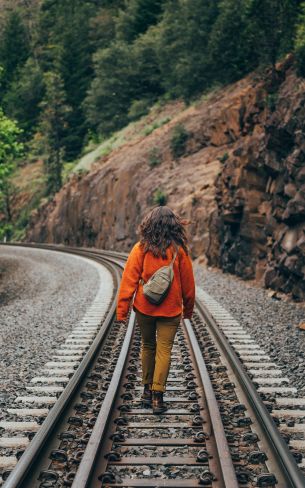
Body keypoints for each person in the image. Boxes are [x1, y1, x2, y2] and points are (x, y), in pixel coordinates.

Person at [116, 206, 195, 414]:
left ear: (148, 224)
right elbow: (189, 285)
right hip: (170, 310)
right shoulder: (180, 251)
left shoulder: (140, 248)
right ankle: (158, 398)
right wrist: (188, 310)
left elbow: (128, 281)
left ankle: (146, 391)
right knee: (164, 349)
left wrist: (122, 310)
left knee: (147, 345)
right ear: (174, 226)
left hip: (145, 307)